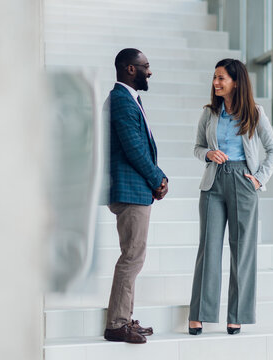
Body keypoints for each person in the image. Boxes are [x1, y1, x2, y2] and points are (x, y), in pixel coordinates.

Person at [188, 58, 273, 336]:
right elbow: (197, 147)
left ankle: (237, 315)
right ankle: (199, 314)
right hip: (213, 182)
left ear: (235, 82)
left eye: (221, 78)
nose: (215, 83)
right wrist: (207, 153)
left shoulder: (254, 112)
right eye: (214, 78)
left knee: (242, 250)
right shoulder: (209, 113)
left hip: (243, 182)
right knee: (209, 248)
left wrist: (259, 178)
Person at [102, 48, 169, 344]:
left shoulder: (128, 99)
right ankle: (116, 324)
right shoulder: (120, 99)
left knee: (134, 255)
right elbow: (133, 148)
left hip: (134, 188)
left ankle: (125, 318)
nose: (149, 71)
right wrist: (158, 178)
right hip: (130, 189)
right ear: (130, 69)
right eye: (145, 66)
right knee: (132, 257)